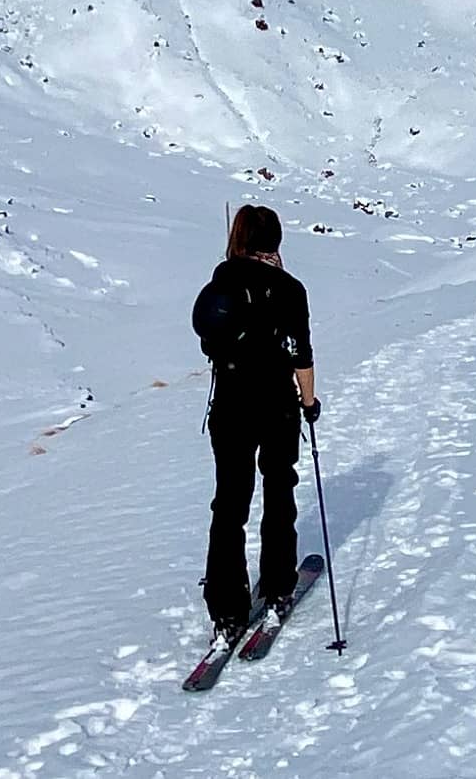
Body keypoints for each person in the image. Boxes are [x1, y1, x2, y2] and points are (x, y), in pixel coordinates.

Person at [192, 204, 319, 639]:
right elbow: (301, 352)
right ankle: (279, 582)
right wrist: (309, 401)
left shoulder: (221, 281)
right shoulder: (291, 288)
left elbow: (210, 342)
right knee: (279, 488)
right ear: (276, 240)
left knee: (229, 503)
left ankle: (227, 608)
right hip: (278, 405)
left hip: (230, 406)